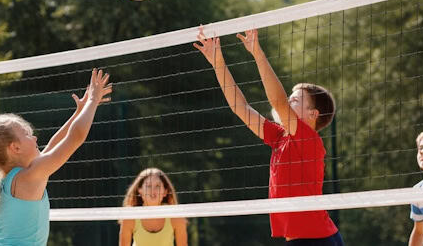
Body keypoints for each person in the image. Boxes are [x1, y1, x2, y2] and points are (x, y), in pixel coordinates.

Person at [194, 27, 343, 245]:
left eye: (295, 100)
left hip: (317, 239)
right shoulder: (281, 137)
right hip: (307, 239)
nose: (289, 102)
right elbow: (241, 108)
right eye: (290, 99)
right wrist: (218, 63)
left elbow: (278, 102)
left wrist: (257, 53)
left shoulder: (308, 139)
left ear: (313, 114)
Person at [0, 69, 112, 245]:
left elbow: (53, 145)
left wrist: (79, 112)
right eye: (27, 134)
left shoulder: (14, 178)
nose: (35, 137)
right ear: (15, 147)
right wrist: (92, 101)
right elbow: (75, 138)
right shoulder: (28, 177)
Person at [118, 168, 188, 246]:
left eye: (157, 186)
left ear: (165, 191)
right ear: (140, 190)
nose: (153, 191)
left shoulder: (176, 217)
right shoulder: (129, 216)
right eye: (148, 186)